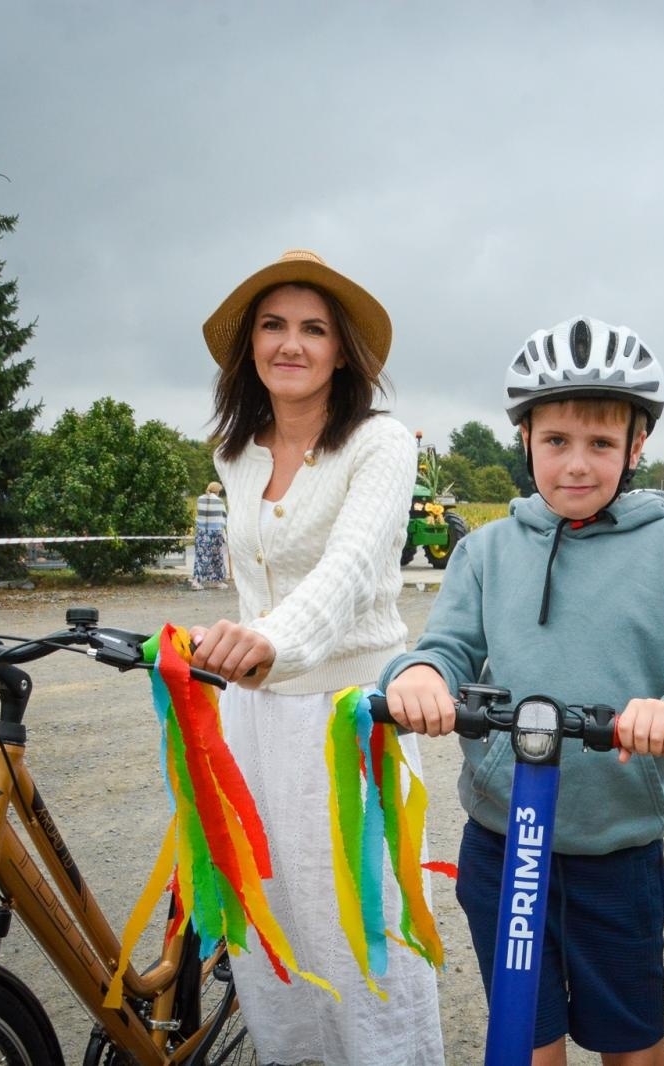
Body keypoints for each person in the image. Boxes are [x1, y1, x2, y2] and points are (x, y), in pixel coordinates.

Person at [381, 316, 664, 1066]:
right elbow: (446, 648)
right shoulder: (485, 551)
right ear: (525, 441)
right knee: (525, 1037)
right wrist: (417, 675)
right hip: (503, 842)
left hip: (618, 849)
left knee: (632, 1042)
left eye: (601, 444)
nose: (576, 464)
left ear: (635, 447)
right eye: (556, 442)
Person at [189, 249, 445, 1066]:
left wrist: (271, 643)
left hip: (350, 723)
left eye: (312, 329)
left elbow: (348, 571)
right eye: (273, 326)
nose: (290, 344)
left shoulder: (377, 443)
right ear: (249, 347)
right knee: (272, 934)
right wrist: (232, 643)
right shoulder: (235, 453)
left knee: (363, 940)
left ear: (342, 351)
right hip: (250, 720)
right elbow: (250, 587)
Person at [190, 480, 229, 590]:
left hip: (201, 532)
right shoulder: (219, 502)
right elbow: (223, 517)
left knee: (200, 557)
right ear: (217, 491)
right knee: (217, 557)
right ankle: (217, 581)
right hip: (215, 532)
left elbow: (200, 514)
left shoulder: (200, 499)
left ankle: (196, 581)